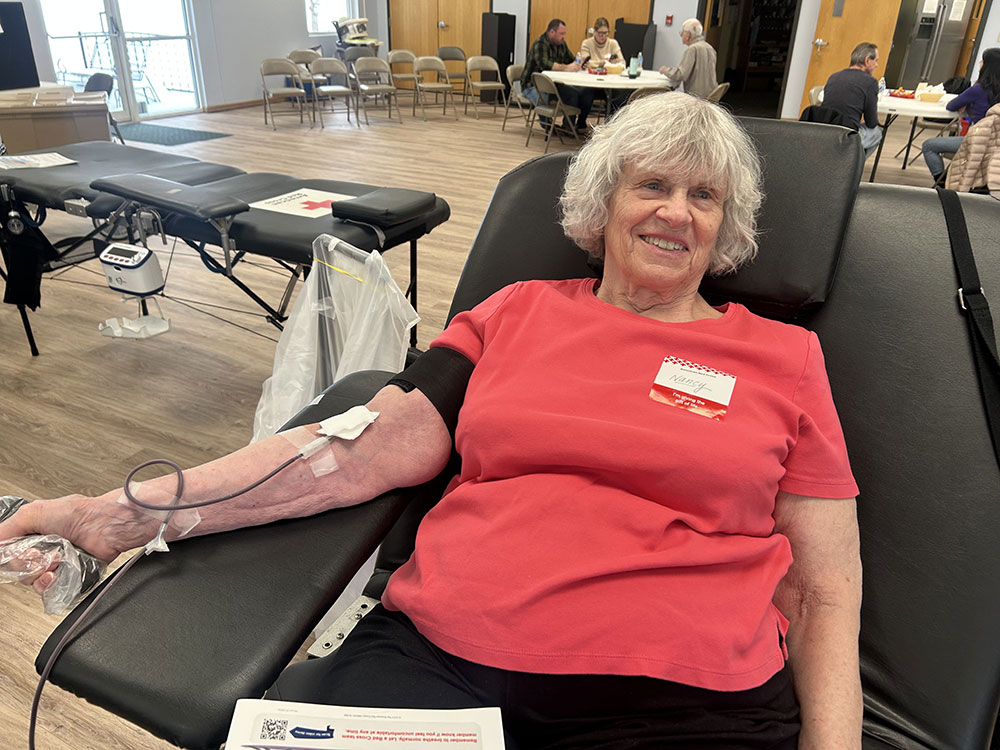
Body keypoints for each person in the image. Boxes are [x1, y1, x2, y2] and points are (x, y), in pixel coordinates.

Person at [1, 93, 862, 749]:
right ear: (601, 207)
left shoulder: (782, 359)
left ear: (727, 227)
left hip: (686, 699)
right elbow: (348, 454)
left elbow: (825, 588)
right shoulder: (515, 314)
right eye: (653, 186)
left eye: (704, 196)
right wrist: (126, 511)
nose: (677, 212)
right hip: (446, 662)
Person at [922, 48, 1000, 183]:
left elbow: (951, 106)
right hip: (995, 145)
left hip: (978, 142)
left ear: (988, 67)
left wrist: (968, 104)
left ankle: (942, 182)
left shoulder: (979, 89)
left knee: (929, 146)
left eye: (983, 61)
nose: (980, 63)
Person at [521, 18, 595, 133]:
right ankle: (549, 128)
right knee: (543, 98)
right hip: (533, 85)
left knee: (573, 94)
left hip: (554, 85)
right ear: (552, 32)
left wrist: (579, 64)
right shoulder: (540, 44)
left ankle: (568, 127)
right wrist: (567, 68)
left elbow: (570, 59)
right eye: (561, 34)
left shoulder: (561, 44)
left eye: (564, 34)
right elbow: (545, 65)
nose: (563, 36)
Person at [822, 42, 882, 159]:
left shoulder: (833, 77)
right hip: (847, 134)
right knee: (877, 133)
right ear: (867, 60)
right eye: (876, 60)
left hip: (825, 130)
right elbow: (871, 122)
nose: (876, 65)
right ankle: (852, 167)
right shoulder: (870, 82)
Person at [578, 17, 628, 116]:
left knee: (619, 96)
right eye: (600, 33)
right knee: (586, 95)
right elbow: (586, 63)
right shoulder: (587, 43)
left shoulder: (613, 43)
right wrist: (606, 63)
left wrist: (597, 63)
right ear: (594, 32)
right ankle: (581, 123)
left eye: (605, 33)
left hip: (610, 82)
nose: (603, 36)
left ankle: (611, 124)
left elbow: (622, 63)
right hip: (591, 83)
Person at [658, 18, 719, 99]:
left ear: (688, 35)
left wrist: (665, 70)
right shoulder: (709, 48)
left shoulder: (692, 49)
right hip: (710, 97)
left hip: (697, 98)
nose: (681, 36)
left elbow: (681, 74)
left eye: (682, 33)